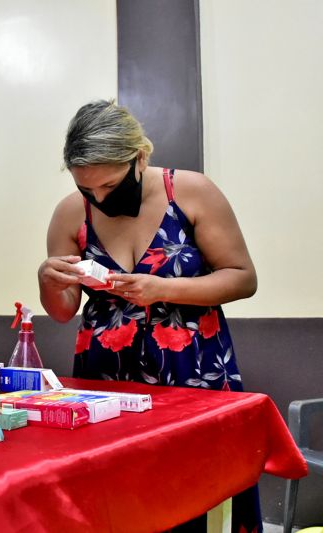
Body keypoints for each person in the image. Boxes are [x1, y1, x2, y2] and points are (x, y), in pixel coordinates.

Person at [38, 99, 260, 531]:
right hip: (105, 379)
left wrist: (163, 289)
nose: (100, 198)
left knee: (196, 494)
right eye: (89, 189)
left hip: (191, 371)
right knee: (116, 500)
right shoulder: (71, 212)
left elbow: (242, 277)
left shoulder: (191, 192)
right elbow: (63, 311)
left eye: (111, 184)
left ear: (140, 156)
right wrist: (49, 280)